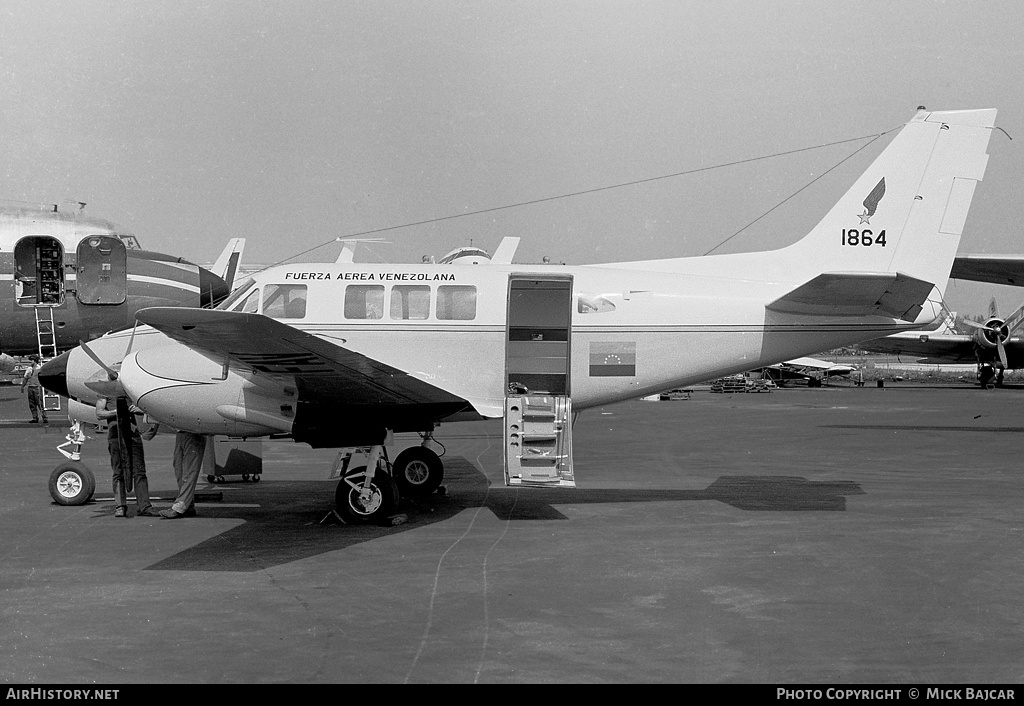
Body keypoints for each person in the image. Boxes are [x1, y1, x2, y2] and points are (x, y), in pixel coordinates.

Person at [97, 389, 159, 518]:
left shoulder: (131, 390)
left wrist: (139, 409)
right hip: (116, 435)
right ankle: (120, 506)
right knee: (118, 471)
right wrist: (118, 411)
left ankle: (144, 506)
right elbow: (99, 413)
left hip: (133, 434)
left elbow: (149, 408)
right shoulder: (106, 391)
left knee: (139, 471)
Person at [160, 431, 208, 519]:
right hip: (180, 432)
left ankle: (179, 506)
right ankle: (189, 506)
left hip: (193, 431)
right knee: (179, 470)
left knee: (189, 472)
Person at [20, 355, 47, 424]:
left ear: (35, 361)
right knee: (32, 404)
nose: (30, 362)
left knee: (40, 403)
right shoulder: (29, 369)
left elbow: (43, 379)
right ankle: (35, 418)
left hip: (37, 387)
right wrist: (22, 386)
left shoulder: (40, 368)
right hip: (30, 387)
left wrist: (45, 388)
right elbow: (26, 378)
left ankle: (44, 417)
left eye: (31, 360)